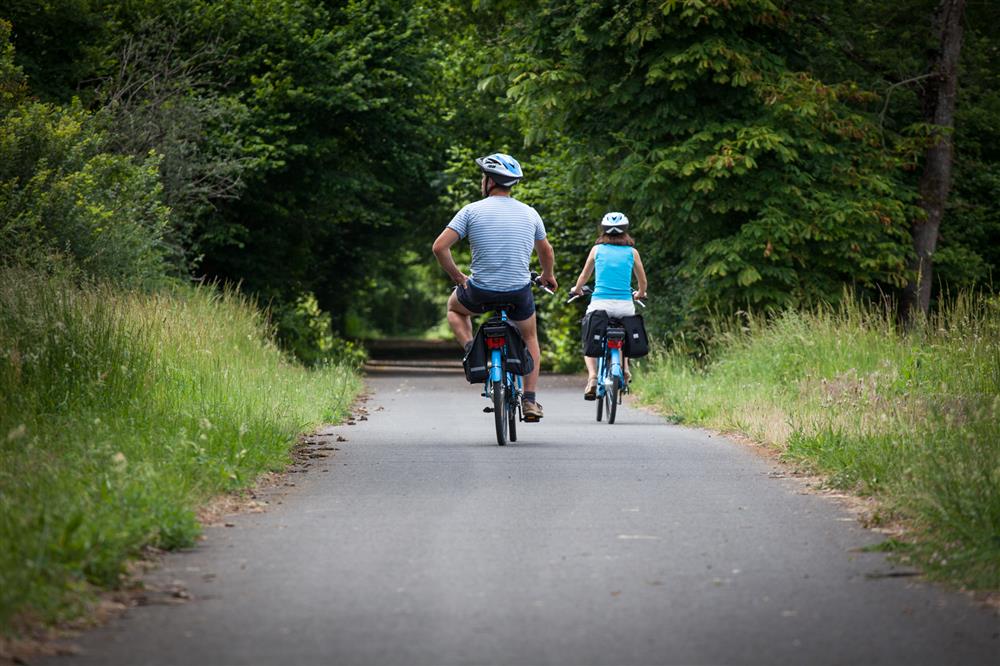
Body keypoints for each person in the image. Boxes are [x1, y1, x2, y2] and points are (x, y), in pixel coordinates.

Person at [432, 153, 558, 422]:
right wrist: (548, 275)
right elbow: (546, 250)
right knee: (530, 337)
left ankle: (471, 348)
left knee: (454, 309)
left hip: (479, 291)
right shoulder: (530, 213)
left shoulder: (471, 211)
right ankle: (530, 400)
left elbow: (439, 247)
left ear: (489, 181)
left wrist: (457, 276)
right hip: (518, 292)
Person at [569, 212, 648, 400]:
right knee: (625, 333)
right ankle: (625, 369)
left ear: (603, 230)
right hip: (624, 305)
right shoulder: (632, 252)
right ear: (625, 231)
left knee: (589, 334)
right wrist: (640, 293)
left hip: (600, 303)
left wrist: (577, 290)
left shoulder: (597, 250)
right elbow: (642, 280)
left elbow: (584, 277)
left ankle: (593, 378)